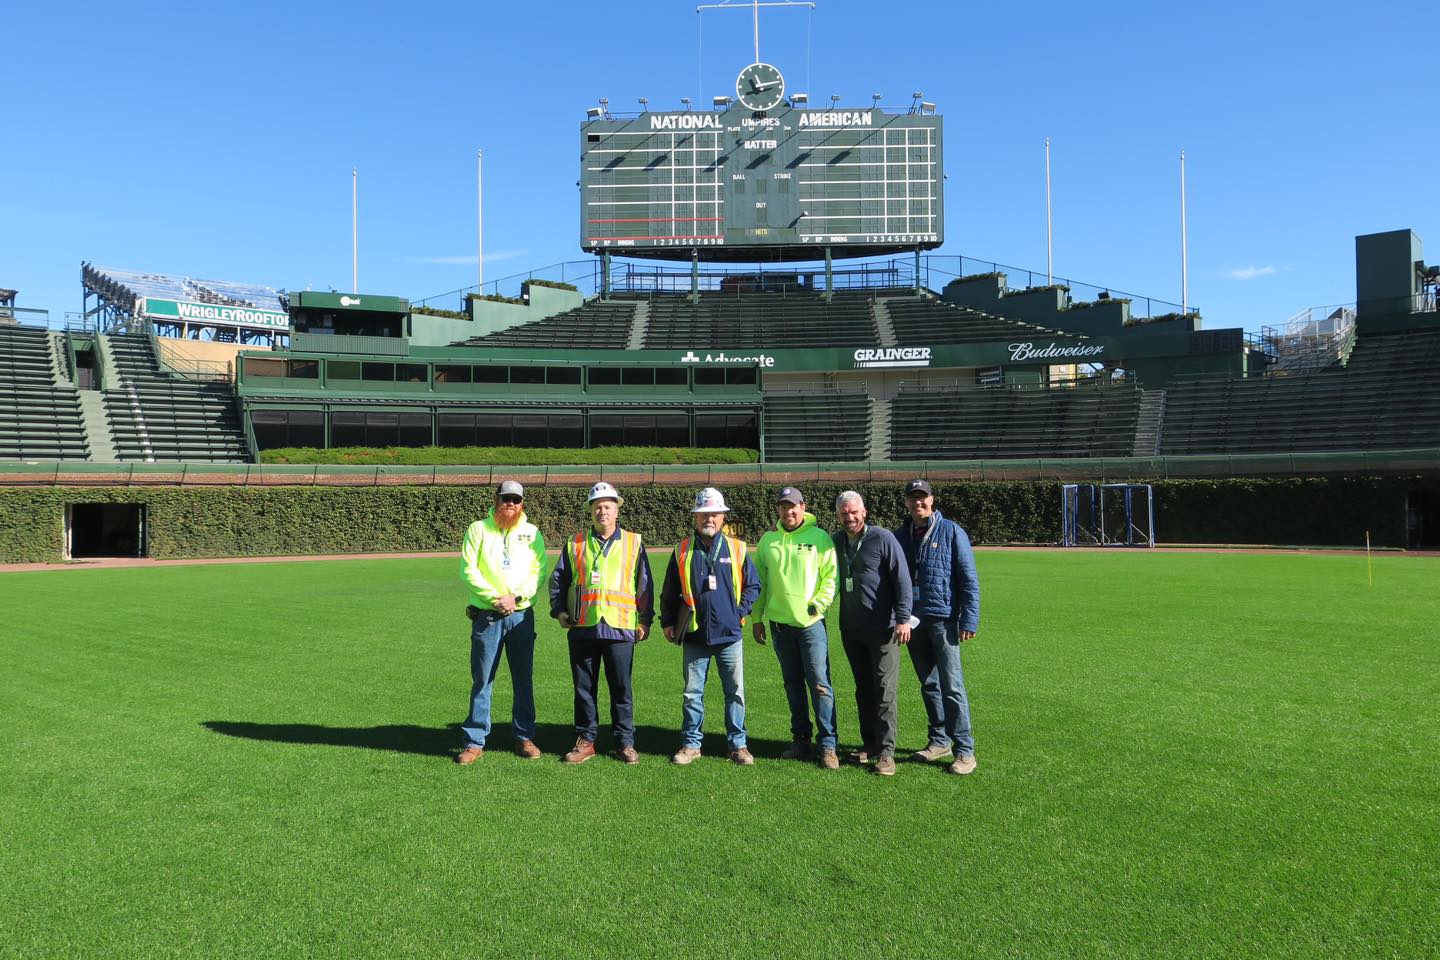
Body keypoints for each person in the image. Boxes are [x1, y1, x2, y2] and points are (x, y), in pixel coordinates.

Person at [549, 481, 654, 764]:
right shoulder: (575, 543)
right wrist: (559, 611)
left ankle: (625, 742)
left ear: (617, 510)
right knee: (584, 689)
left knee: (621, 689)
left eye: (607, 506)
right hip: (584, 626)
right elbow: (558, 580)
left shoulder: (633, 542)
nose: (602, 511)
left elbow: (644, 585)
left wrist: (645, 620)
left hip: (620, 627)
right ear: (591, 511)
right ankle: (586, 740)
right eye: (597, 507)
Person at [660, 487, 761, 766]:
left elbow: (753, 585)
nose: (709, 519)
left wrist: (738, 612)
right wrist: (667, 622)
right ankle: (691, 745)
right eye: (704, 514)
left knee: (735, 693)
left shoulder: (737, 548)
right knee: (692, 694)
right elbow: (669, 591)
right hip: (695, 635)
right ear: (696, 517)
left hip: (729, 635)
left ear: (723, 517)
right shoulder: (682, 549)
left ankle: (738, 745)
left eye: (715, 513)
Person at [456, 480, 548, 764]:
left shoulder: (532, 532)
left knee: (523, 679)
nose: (510, 503)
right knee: (483, 680)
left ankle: (524, 737)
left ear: (522, 503)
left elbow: (539, 571)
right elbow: (468, 570)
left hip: (520, 615)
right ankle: (474, 741)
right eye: (505, 498)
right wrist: (495, 598)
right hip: (488, 614)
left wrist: (516, 597)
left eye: (516, 499)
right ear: (496, 500)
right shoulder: (478, 529)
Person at [895, 479, 981, 775]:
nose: (918, 502)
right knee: (929, 685)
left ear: (932, 500)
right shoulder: (900, 535)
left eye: (923, 497)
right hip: (913, 621)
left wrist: (969, 619)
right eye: (913, 498)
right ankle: (939, 740)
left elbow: (968, 578)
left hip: (943, 619)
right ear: (906, 502)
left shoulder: (951, 531)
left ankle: (965, 750)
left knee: (952, 686)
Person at [752, 486, 840, 769]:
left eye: (793, 506)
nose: (788, 511)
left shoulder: (820, 538)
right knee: (792, 684)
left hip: (811, 625)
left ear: (803, 507)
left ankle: (828, 745)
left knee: (820, 683)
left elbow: (831, 578)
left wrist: (817, 605)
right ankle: (801, 740)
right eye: (783, 506)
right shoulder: (768, 540)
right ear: (778, 509)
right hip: (779, 625)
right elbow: (760, 583)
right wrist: (757, 618)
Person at [832, 491, 913, 777]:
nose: (850, 517)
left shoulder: (882, 538)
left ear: (864, 512)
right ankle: (870, 744)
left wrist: (903, 619)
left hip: (883, 629)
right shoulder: (835, 541)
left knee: (885, 690)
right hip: (851, 628)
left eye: (854, 512)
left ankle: (887, 753)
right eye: (844, 513)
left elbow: (902, 579)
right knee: (863, 688)